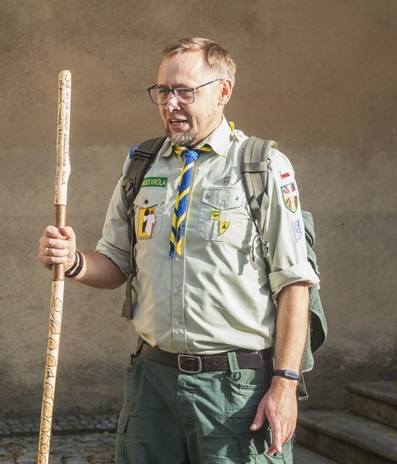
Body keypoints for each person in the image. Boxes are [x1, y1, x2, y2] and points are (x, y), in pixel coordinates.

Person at [38, 37, 319, 462]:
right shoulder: (142, 165)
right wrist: (72, 261)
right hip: (152, 383)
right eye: (163, 92)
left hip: (236, 390)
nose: (170, 104)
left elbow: (294, 283)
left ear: (223, 91)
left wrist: (284, 384)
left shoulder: (261, 166)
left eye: (184, 91)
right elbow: (115, 263)